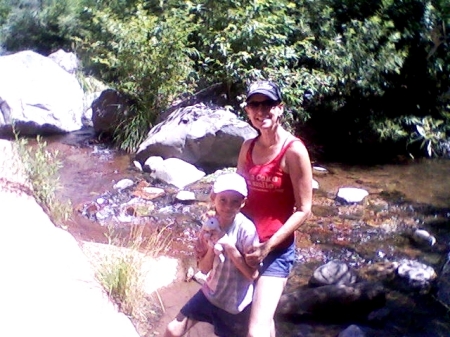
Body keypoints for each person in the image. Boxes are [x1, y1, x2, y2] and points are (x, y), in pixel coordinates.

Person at [236, 80, 313, 337]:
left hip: (276, 250)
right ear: (247, 111)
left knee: (255, 330)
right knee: (264, 321)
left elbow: (304, 209)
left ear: (280, 108)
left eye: (268, 103)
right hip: (246, 245)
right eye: (254, 105)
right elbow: (238, 196)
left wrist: (267, 247)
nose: (261, 111)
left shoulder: (293, 151)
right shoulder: (247, 147)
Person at [164, 172, 259, 337]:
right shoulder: (209, 226)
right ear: (213, 198)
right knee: (172, 330)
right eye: (223, 200)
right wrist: (211, 249)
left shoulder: (247, 230)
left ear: (243, 203)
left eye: (235, 202)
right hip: (210, 293)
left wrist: (230, 246)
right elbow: (204, 269)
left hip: (234, 304)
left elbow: (253, 274)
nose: (228, 206)